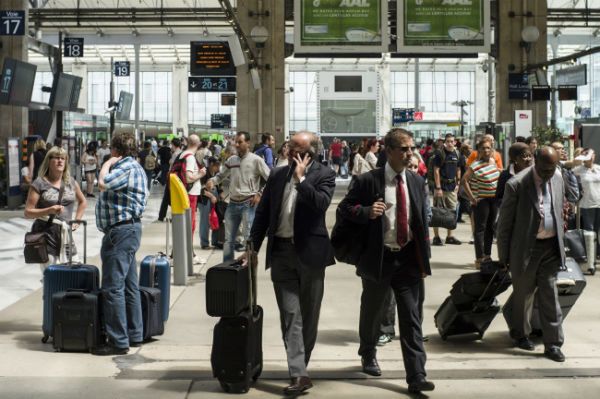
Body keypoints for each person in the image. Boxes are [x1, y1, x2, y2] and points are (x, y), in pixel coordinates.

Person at [337, 128, 434, 394]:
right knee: (372, 313)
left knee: (412, 318)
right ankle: (368, 352)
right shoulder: (368, 181)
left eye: (411, 148)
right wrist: (367, 212)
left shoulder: (416, 181)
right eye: (403, 149)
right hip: (378, 259)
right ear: (388, 151)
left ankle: (416, 375)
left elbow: (420, 223)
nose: (409, 153)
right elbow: (344, 209)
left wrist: (424, 261)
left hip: (408, 260)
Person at [247, 131, 336, 395]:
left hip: (310, 254)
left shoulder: (324, 174)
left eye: (295, 148)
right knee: (290, 315)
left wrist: (301, 180)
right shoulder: (276, 175)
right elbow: (263, 214)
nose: (288, 151)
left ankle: (300, 367)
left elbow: (321, 204)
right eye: (288, 146)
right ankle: (299, 373)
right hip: (281, 253)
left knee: (308, 317)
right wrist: (253, 247)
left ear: (310, 152)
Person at [497, 146, 566, 362]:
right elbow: (505, 225)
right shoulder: (516, 184)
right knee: (524, 294)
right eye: (544, 169)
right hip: (526, 249)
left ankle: (553, 343)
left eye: (552, 168)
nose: (548, 174)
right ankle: (520, 333)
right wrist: (504, 257)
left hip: (551, 247)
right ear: (535, 161)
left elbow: (558, 207)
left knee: (549, 294)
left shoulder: (557, 177)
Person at [94, 132, 148, 356]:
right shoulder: (134, 166)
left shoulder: (125, 167)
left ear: (115, 150)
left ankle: (118, 341)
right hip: (126, 231)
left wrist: (106, 163)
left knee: (113, 287)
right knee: (128, 286)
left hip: (121, 232)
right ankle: (134, 334)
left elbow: (103, 183)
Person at [206, 131, 270, 262]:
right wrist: (212, 181)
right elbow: (221, 175)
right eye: (236, 141)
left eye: (240, 142)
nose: (236, 144)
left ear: (248, 143)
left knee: (249, 239)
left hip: (249, 204)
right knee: (229, 239)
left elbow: (270, 179)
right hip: (233, 204)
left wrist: (259, 194)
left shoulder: (256, 160)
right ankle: (227, 267)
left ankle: (248, 270)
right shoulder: (232, 160)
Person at [24, 146, 87, 274]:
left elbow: (83, 201)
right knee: (52, 276)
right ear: (49, 161)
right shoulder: (39, 183)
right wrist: (49, 210)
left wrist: (78, 220)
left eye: (63, 158)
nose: (60, 161)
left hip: (66, 236)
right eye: (56, 158)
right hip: (46, 236)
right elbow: (28, 212)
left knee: (74, 273)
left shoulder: (71, 183)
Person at [462, 137, 500, 268]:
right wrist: (472, 198)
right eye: (483, 148)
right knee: (480, 229)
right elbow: (464, 181)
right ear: (479, 150)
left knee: (490, 228)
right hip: (481, 200)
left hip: (493, 200)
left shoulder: (493, 162)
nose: (486, 150)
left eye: (488, 148)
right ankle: (479, 258)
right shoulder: (474, 165)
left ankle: (487, 255)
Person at [431, 133, 463, 246]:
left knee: (451, 212)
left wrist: (458, 183)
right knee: (436, 212)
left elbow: (459, 168)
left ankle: (450, 236)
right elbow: (436, 171)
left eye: (452, 141)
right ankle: (436, 237)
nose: (450, 143)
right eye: (448, 141)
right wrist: (438, 187)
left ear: (454, 142)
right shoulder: (440, 154)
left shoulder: (457, 153)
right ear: (445, 142)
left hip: (452, 187)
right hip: (440, 187)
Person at [178, 135, 205, 253]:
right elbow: (189, 178)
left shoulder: (182, 155)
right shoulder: (190, 158)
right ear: (198, 144)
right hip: (191, 194)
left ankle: (184, 251)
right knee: (190, 224)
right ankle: (189, 253)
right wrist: (201, 174)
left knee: (184, 224)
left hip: (184, 193)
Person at [572, 149, 600, 255]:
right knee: (589, 230)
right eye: (587, 155)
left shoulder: (598, 168)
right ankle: (589, 254)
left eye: (592, 155)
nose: (590, 157)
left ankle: (596, 252)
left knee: (597, 229)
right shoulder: (578, 170)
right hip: (587, 204)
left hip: (599, 202)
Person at [496, 143, 533, 207]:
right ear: (515, 159)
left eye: (530, 156)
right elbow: (498, 199)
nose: (528, 159)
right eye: (525, 156)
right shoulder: (505, 175)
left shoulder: (535, 173)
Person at [199, 157, 221, 249]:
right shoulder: (204, 173)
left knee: (215, 218)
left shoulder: (216, 174)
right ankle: (204, 243)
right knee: (205, 222)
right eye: (217, 166)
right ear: (211, 164)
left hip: (214, 198)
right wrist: (211, 196)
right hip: (204, 199)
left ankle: (215, 241)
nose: (218, 168)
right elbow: (200, 190)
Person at [158, 138, 182, 222]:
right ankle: (165, 216)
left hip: (172, 176)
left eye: (171, 145)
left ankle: (162, 216)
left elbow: (171, 163)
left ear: (174, 145)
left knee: (168, 197)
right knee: (170, 197)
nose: (170, 146)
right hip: (175, 177)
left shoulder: (176, 153)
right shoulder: (179, 152)